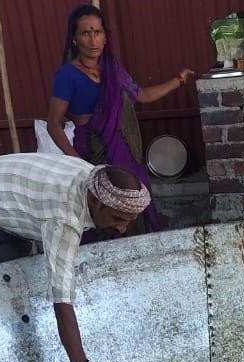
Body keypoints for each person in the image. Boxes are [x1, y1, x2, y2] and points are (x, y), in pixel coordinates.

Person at [0, 153, 151, 362]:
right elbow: (62, 301)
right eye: (118, 219)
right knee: (15, 286)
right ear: (97, 203)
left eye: (129, 221)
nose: (122, 228)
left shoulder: (96, 180)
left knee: (28, 269)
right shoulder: (64, 219)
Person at [46, 4, 195, 236]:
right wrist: (77, 163)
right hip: (93, 154)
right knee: (103, 213)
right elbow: (53, 124)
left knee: (132, 203)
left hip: (126, 152)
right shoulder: (67, 75)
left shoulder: (112, 70)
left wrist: (179, 80)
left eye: (98, 32)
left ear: (105, 37)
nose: (93, 39)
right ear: (74, 39)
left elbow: (142, 95)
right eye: (85, 33)